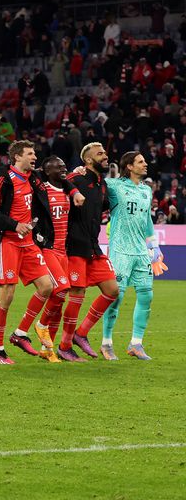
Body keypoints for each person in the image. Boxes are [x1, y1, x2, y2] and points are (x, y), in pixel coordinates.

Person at [0, 140, 59, 365]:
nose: (34, 157)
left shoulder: (33, 179)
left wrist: (75, 179)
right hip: (7, 242)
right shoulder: (3, 180)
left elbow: (56, 178)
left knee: (47, 286)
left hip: (28, 243)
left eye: (34, 153)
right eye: (29, 153)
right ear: (17, 157)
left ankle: (20, 333)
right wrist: (14, 224)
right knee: (7, 295)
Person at [56, 143, 119, 361]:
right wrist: (72, 174)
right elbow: (56, 183)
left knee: (112, 290)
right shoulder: (77, 179)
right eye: (100, 153)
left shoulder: (102, 183)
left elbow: (100, 207)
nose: (105, 156)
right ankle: (64, 347)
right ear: (88, 160)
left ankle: (80, 334)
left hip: (93, 245)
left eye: (105, 152)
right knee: (77, 295)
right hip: (74, 245)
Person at [99, 152, 160, 360]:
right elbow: (94, 180)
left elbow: (147, 220)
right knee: (116, 296)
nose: (146, 164)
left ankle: (136, 343)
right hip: (120, 251)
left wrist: (154, 246)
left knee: (147, 295)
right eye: (141, 162)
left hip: (141, 251)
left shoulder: (146, 190)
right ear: (130, 167)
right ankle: (106, 343)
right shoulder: (115, 186)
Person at [30, 156, 74, 361]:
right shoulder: (42, 191)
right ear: (47, 171)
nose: (63, 168)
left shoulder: (67, 190)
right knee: (61, 289)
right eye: (59, 166)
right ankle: (40, 325)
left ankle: (47, 350)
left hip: (63, 251)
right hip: (48, 249)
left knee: (60, 302)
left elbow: (71, 180)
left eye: (64, 166)